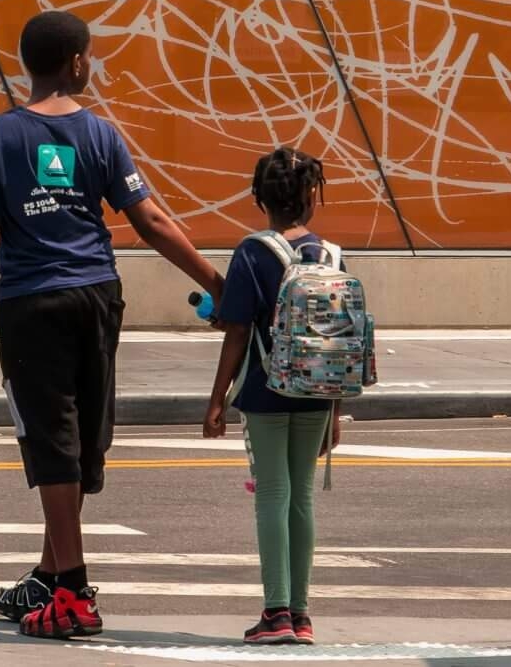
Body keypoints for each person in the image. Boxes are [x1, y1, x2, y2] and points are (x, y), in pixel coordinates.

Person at [0, 10, 224, 639]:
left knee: (52, 441)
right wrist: (215, 280)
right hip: (97, 296)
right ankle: (50, 577)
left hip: (31, 303)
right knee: (82, 439)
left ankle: (70, 590)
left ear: (27, 63)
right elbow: (151, 220)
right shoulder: (101, 134)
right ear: (77, 62)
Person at [203, 148, 341, 646]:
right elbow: (336, 337)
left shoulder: (253, 252)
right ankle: (302, 616)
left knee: (273, 496)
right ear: (310, 199)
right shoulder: (332, 255)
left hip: (266, 389)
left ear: (260, 199)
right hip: (318, 394)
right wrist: (335, 410)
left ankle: (275, 611)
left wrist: (217, 399)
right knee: (302, 496)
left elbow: (236, 332)